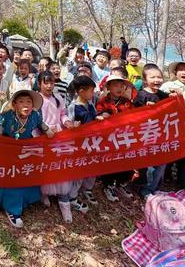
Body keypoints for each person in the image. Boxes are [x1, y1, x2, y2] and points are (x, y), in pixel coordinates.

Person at [0, 90, 54, 228]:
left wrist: (47, 130)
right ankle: (12, 209)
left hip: (27, 149)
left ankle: (26, 200)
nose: (26, 105)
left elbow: (41, 124)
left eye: (28, 102)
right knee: (13, 178)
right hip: (9, 150)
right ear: (14, 104)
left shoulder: (35, 115)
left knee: (26, 174)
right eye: (21, 101)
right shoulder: (6, 116)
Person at [38, 71, 81, 223]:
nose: (49, 86)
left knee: (61, 166)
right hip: (43, 136)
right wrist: (46, 128)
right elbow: (36, 119)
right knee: (47, 166)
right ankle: (45, 193)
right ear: (39, 84)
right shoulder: (36, 100)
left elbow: (62, 113)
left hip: (59, 136)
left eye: (52, 83)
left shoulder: (58, 98)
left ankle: (64, 201)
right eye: (46, 83)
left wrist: (67, 121)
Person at [133, 63, 170, 198]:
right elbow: (134, 115)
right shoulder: (141, 95)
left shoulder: (164, 95)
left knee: (161, 163)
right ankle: (143, 188)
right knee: (147, 164)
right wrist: (145, 109)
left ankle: (154, 187)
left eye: (159, 77)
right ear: (145, 80)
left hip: (161, 135)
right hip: (145, 135)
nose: (157, 80)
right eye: (152, 77)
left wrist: (176, 97)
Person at [96, 74, 135, 202]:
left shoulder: (127, 103)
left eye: (121, 86)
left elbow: (134, 117)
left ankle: (121, 183)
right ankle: (108, 185)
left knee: (126, 161)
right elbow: (98, 115)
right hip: (109, 138)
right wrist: (103, 115)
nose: (119, 88)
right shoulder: (103, 102)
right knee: (110, 161)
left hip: (125, 137)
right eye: (115, 85)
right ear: (108, 87)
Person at [67, 75, 98, 206]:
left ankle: (87, 189)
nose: (93, 93)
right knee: (79, 170)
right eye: (91, 90)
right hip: (79, 144)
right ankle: (72, 196)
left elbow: (95, 118)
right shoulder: (73, 107)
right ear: (81, 91)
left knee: (93, 167)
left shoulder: (91, 104)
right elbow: (69, 124)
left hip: (93, 142)